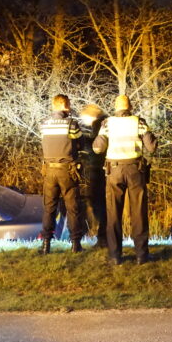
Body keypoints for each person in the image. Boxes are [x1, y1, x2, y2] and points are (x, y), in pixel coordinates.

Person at [93, 95, 157, 265]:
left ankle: (115, 256)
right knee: (138, 213)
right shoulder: (139, 122)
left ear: (115, 107)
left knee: (113, 213)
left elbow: (98, 148)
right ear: (130, 106)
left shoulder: (107, 123)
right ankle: (141, 255)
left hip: (114, 171)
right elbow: (151, 147)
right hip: (135, 170)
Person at [39, 94, 83, 254]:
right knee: (73, 208)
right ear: (65, 105)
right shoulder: (71, 124)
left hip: (49, 170)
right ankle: (75, 245)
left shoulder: (44, 124)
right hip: (67, 171)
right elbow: (80, 143)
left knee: (49, 208)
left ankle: (45, 246)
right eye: (69, 105)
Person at [78, 104, 108, 248]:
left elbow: (97, 148)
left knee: (98, 204)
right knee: (100, 204)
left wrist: (81, 142)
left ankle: (103, 239)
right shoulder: (104, 123)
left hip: (99, 169)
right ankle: (104, 238)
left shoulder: (99, 124)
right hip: (102, 169)